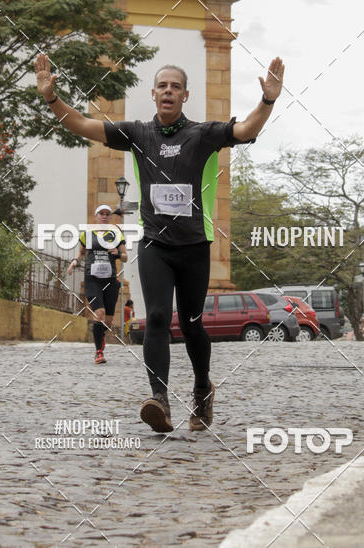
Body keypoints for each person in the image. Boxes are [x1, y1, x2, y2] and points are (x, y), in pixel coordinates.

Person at [35, 53, 284, 432]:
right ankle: (160, 399)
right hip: (154, 244)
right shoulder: (137, 133)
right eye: (162, 86)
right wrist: (52, 98)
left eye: (176, 87)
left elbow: (247, 129)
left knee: (193, 323)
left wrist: (267, 101)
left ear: (185, 96)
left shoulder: (202, 134)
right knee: (154, 317)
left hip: (195, 246)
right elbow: (84, 125)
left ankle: (202, 390)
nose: (169, 91)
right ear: (153, 94)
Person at [67, 204, 127, 365]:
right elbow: (81, 253)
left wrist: (118, 253)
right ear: (96, 216)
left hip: (111, 280)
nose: (105, 216)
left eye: (108, 214)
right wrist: (74, 262)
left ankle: (100, 337)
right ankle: (98, 352)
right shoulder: (87, 234)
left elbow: (126, 257)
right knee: (99, 313)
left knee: (108, 320)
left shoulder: (116, 234)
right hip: (92, 279)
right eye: (102, 213)